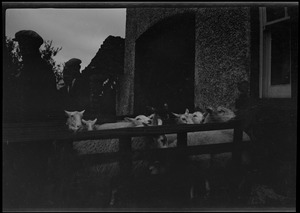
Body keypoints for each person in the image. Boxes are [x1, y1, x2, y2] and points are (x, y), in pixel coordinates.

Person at [12, 30, 60, 121]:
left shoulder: (43, 68)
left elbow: (49, 99)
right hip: (23, 118)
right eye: (20, 45)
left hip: (36, 120)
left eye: (24, 46)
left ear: (32, 47)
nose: (21, 49)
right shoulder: (24, 66)